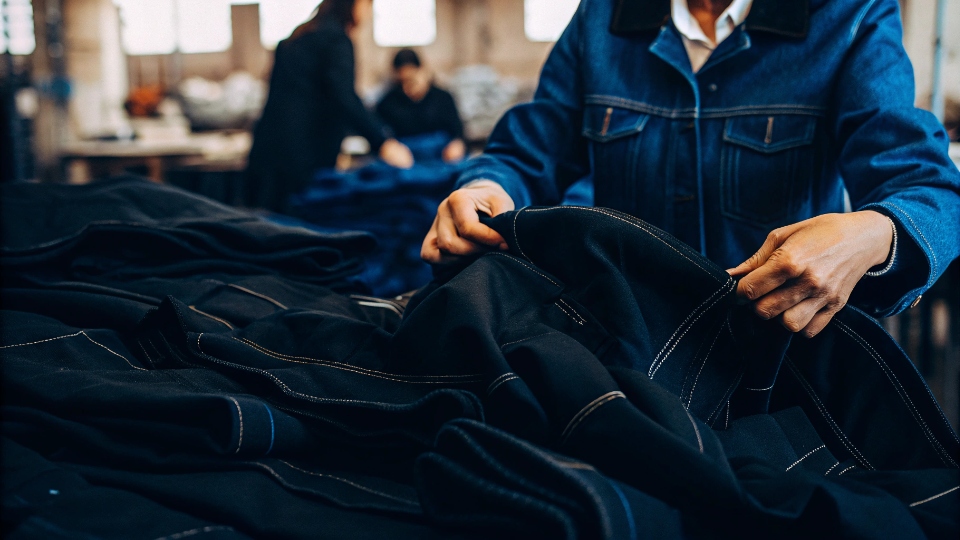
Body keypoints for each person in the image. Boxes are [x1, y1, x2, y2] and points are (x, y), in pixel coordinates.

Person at [421, 0, 960, 338]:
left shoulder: (847, 15)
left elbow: (929, 188)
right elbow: (529, 150)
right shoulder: (601, 19)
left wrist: (876, 231)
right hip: (623, 343)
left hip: (779, 357)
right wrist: (486, 185)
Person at [245, 0, 413, 212]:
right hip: (300, 159)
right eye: (368, 5)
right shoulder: (336, 39)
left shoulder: (297, 37)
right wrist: (383, 142)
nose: (369, 14)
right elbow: (344, 97)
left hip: (267, 153)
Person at [376, 49, 467, 163]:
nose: (406, 88)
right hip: (405, 160)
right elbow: (382, 137)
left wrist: (456, 145)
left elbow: (458, 131)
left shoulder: (443, 98)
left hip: (442, 156)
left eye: (411, 80)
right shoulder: (387, 104)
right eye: (401, 82)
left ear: (422, 72)